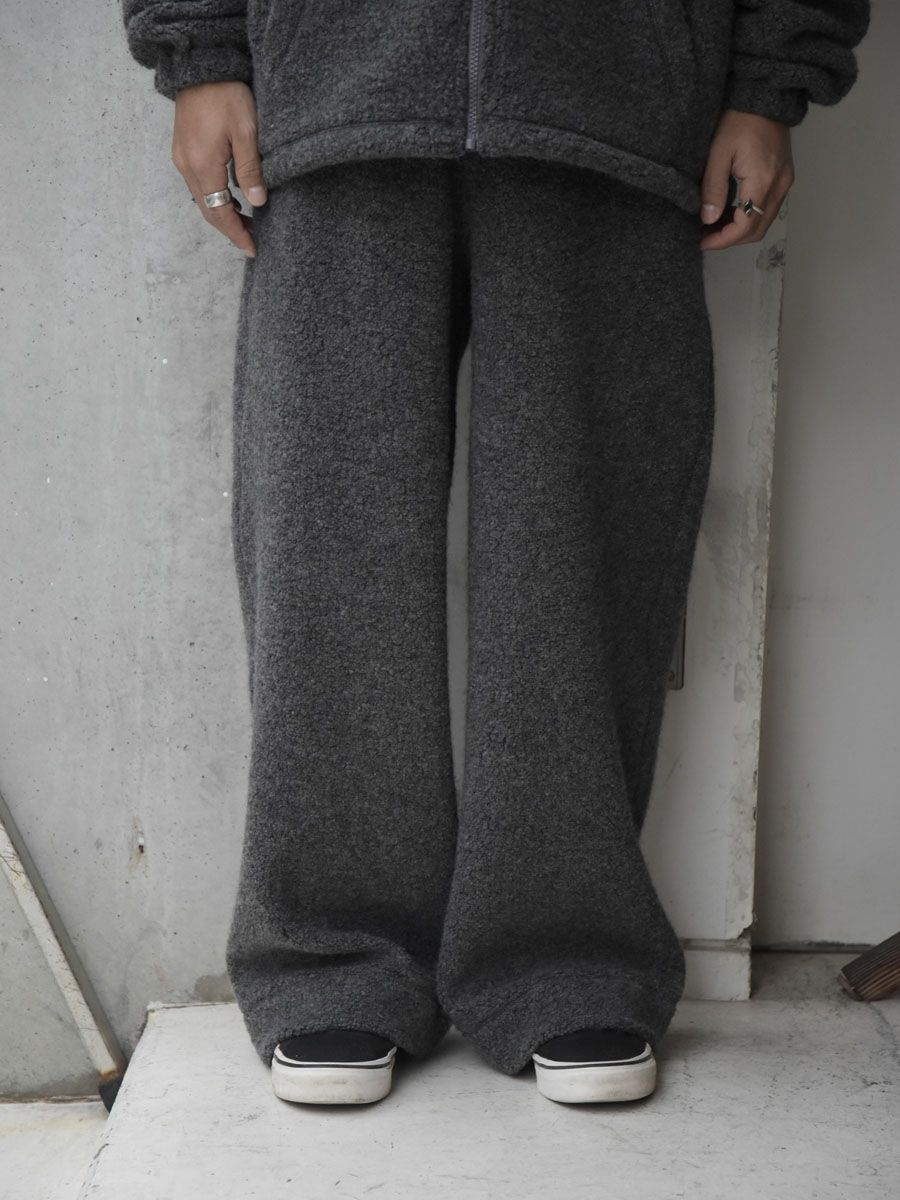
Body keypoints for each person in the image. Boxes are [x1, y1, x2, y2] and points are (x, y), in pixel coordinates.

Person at [121, 0, 869, 1106]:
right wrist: (202, 53)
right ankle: (336, 954)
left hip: (617, 89)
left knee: (582, 558)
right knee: (330, 549)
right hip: (331, 84)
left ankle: (568, 954)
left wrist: (768, 80)